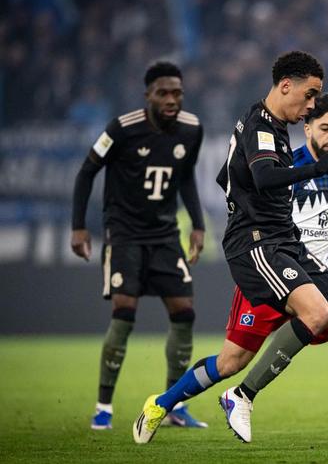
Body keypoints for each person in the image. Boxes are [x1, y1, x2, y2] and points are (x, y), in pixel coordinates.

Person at [132, 51, 328, 446]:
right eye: (309, 97)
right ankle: (198, 400)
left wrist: (240, 193)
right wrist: (306, 173)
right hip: (259, 247)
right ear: (286, 86)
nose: (311, 106)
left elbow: (227, 176)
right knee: (232, 360)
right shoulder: (262, 126)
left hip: (290, 249)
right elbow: (266, 177)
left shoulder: (283, 134)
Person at [71, 61, 207, 430]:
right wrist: (79, 227)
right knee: (124, 310)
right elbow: (86, 171)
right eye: (163, 93)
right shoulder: (122, 128)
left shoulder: (192, 129)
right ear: (148, 95)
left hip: (165, 236)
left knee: (185, 311)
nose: (171, 100)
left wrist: (197, 225)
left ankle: (173, 405)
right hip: (125, 234)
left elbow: (186, 178)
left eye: (177, 93)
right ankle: (103, 407)